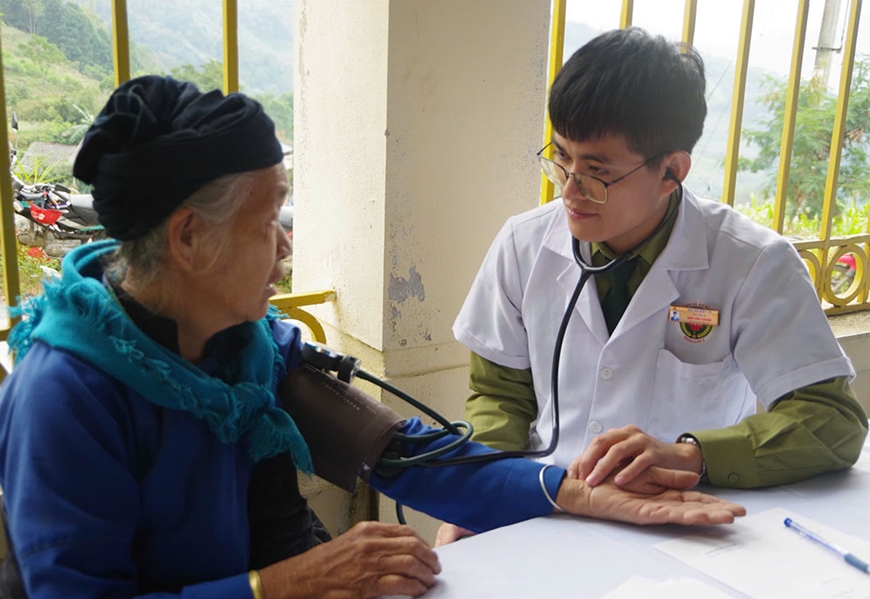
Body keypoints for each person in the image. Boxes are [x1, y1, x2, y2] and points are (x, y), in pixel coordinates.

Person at [0, 76, 744, 599]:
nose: (287, 247)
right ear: (189, 238)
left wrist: (579, 492)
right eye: (268, 221)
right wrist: (284, 584)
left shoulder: (245, 350)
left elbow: (406, 454)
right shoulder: (65, 397)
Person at [446, 28, 867, 541]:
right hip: (546, 507)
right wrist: (479, 498)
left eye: (596, 172)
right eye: (561, 159)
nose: (570, 191)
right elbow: (499, 396)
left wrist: (690, 455)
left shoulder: (753, 263)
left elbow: (832, 421)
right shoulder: (523, 244)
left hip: (680, 523)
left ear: (671, 171)